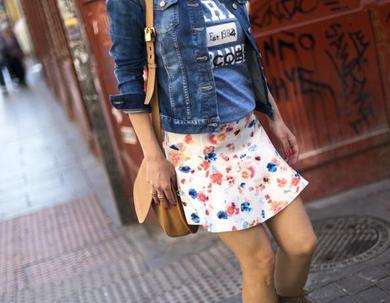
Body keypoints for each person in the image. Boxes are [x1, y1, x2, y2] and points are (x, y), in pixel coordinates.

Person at [106, 1, 318, 302]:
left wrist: (275, 116)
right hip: (198, 150)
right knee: (260, 261)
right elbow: (127, 75)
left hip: (248, 135)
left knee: (301, 245)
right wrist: (153, 157)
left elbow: (245, 58)